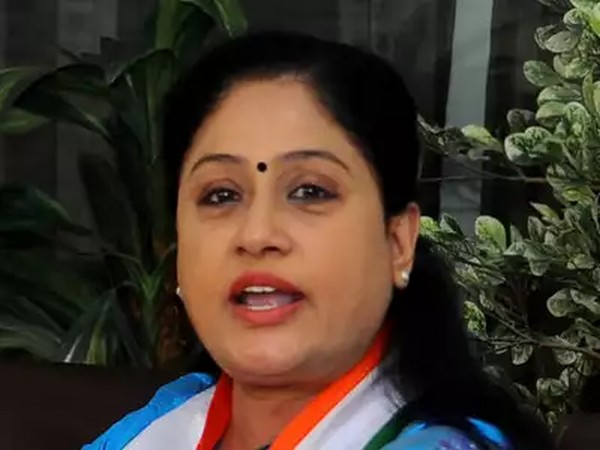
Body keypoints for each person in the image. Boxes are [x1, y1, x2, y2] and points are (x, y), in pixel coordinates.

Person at [84, 32, 555, 450]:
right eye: (221, 195)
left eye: (310, 191)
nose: (257, 235)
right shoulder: (161, 425)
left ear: (398, 241)